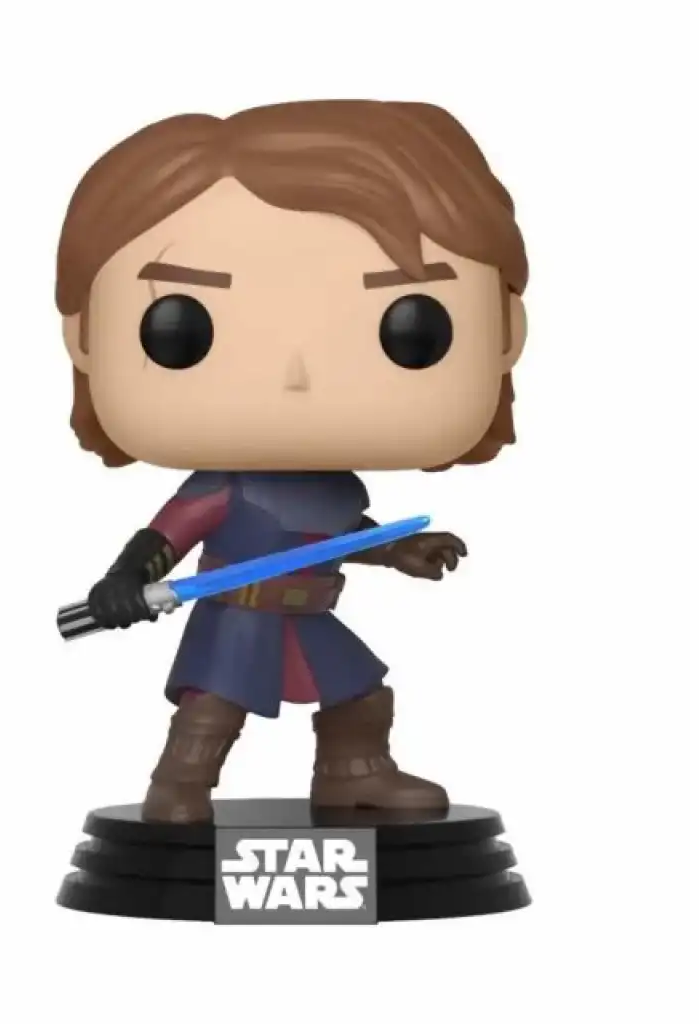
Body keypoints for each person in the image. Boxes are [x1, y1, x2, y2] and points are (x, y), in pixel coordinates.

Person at [55, 100, 528, 822]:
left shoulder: (333, 487)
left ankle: (353, 777)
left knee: (361, 698)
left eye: (411, 328)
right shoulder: (225, 485)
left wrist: (398, 549)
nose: (296, 377)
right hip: (237, 617)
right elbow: (165, 538)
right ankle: (178, 789)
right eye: (181, 327)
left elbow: (340, 536)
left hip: (308, 612)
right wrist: (125, 580)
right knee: (211, 713)